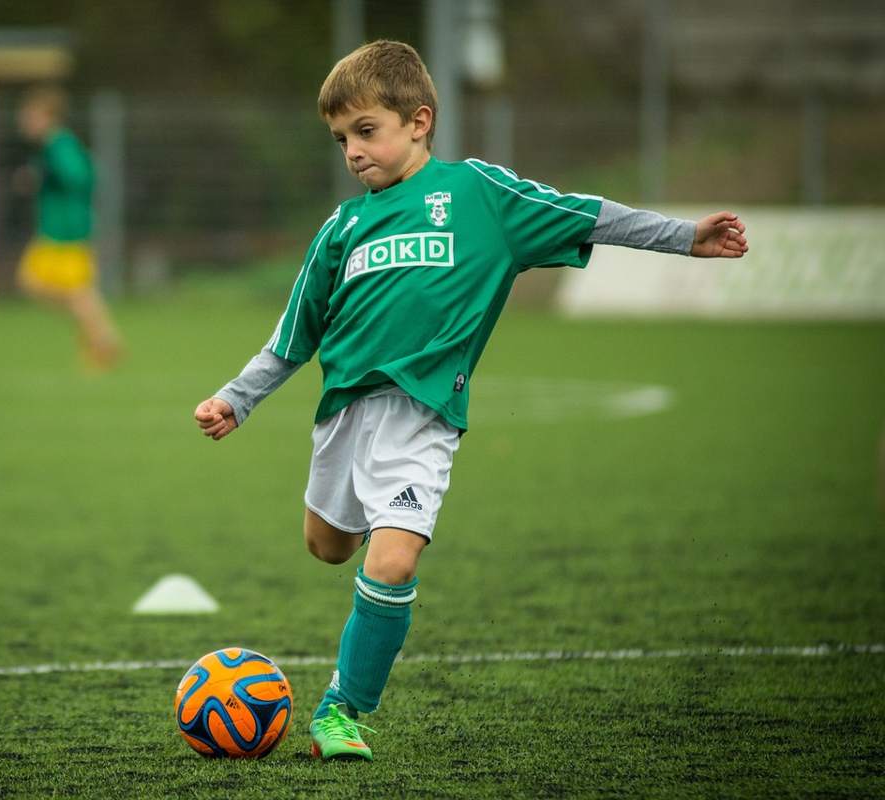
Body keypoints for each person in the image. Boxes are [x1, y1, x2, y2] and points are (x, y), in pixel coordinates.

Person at [193, 40, 748, 762]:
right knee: (328, 546)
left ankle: (343, 709)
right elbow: (292, 336)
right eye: (341, 140)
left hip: (423, 418)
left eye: (367, 131)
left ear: (419, 121)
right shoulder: (342, 229)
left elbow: (586, 214)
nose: (353, 152)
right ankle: (372, 544)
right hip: (343, 419)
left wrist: (684, 236)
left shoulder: (480, 195)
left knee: (390, 564)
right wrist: (237, 400)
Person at [15, 86, 122, 368]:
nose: (25, 121)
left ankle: (102, 340)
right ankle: (100, 337)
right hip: (55, 231)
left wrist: (46, 175)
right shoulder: (52, 147)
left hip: (66, 232)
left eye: (30, 116)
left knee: (70, 291)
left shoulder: (59, 144)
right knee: (46, 287)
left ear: (47, 116)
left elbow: (81, 176)